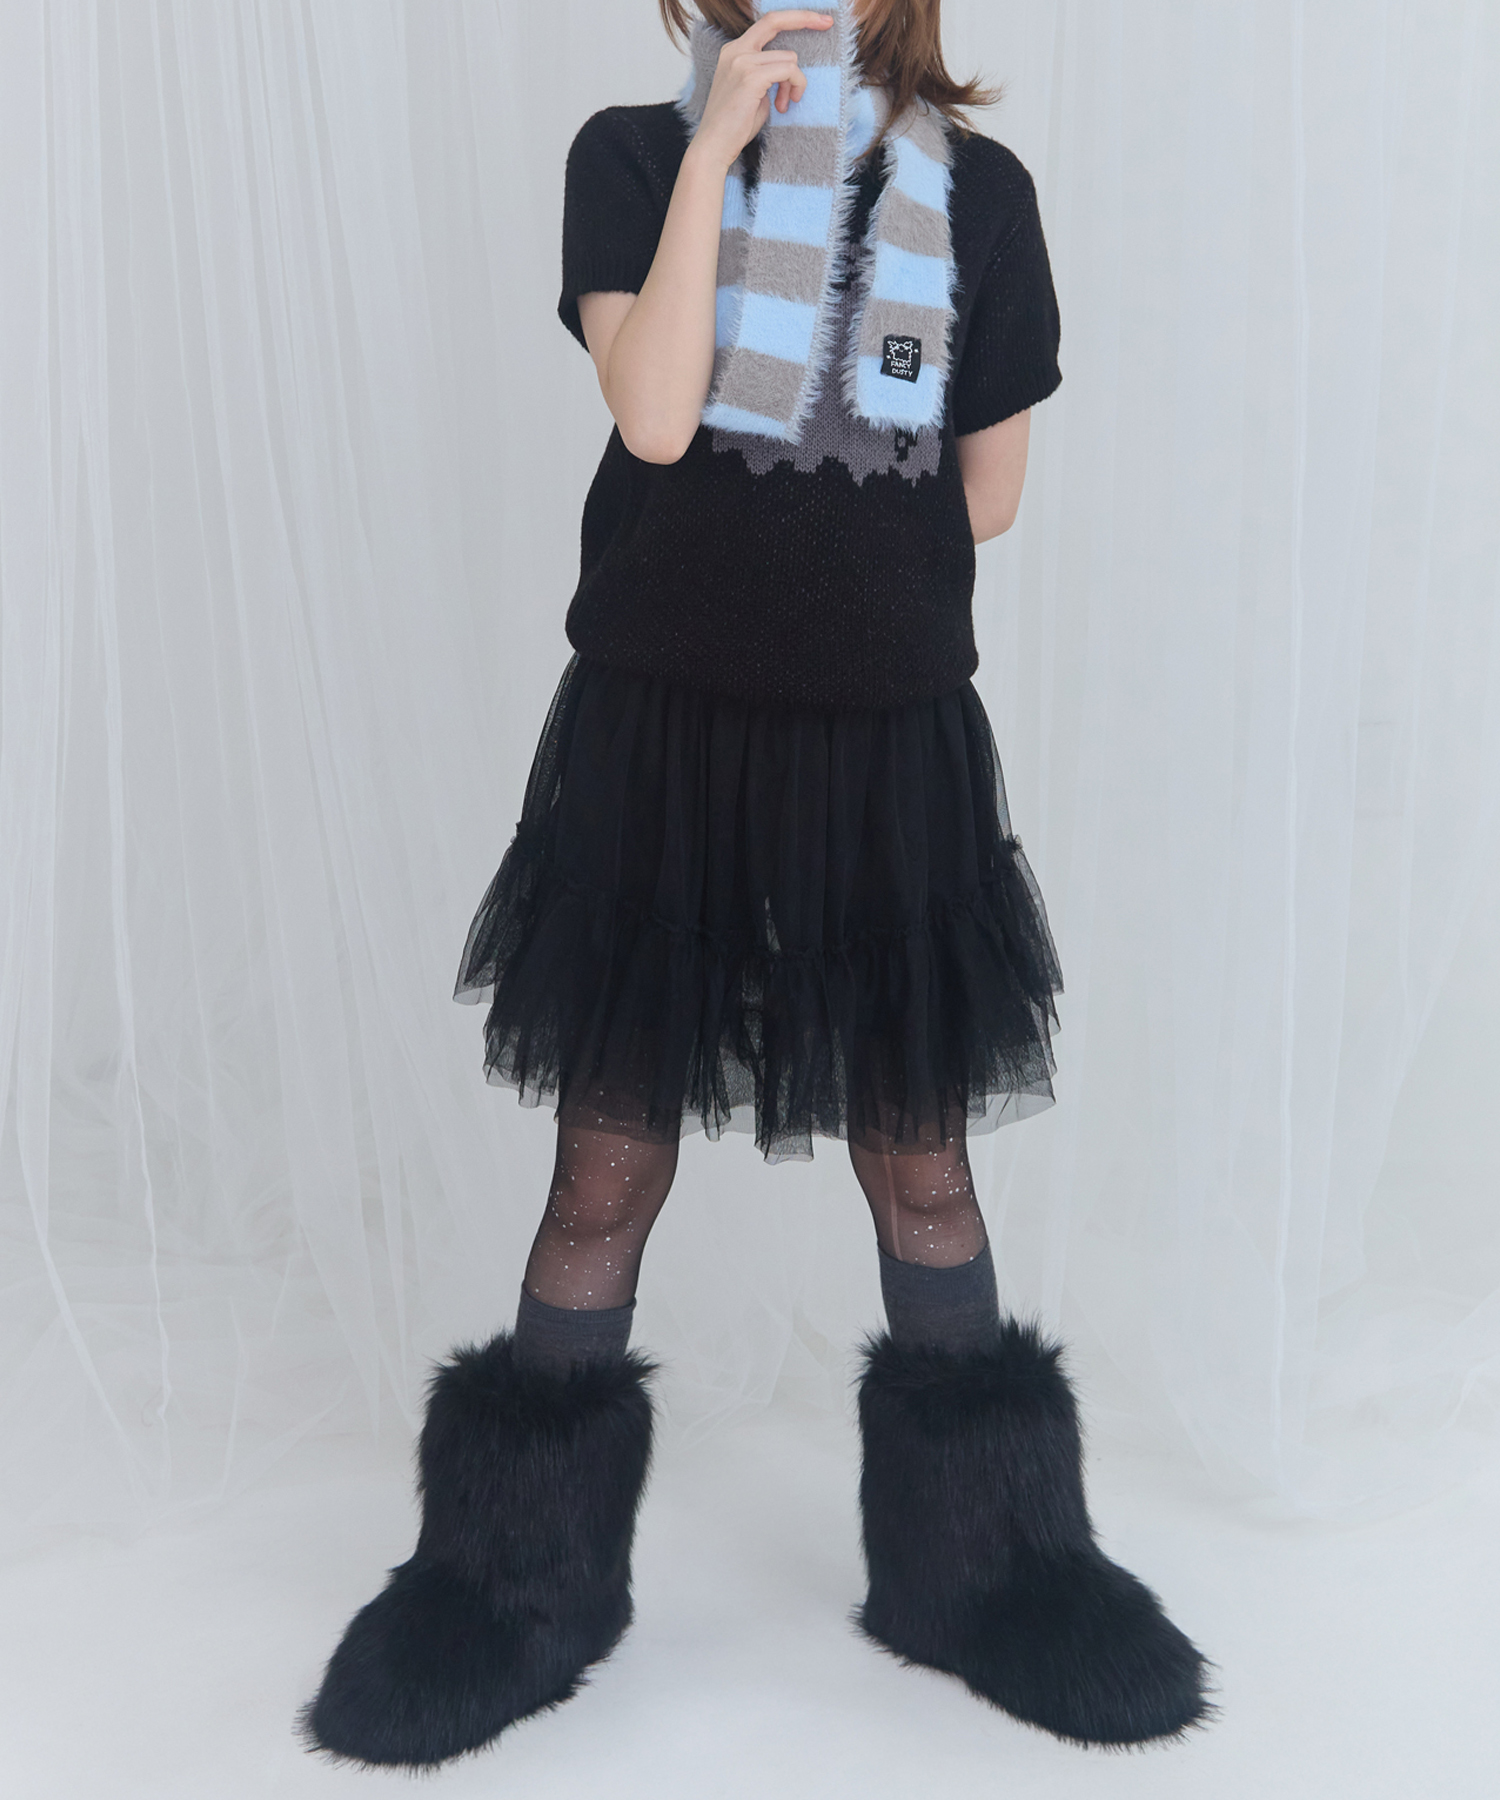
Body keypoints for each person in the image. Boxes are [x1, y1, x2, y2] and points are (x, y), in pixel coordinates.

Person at [301, 0, 1210, 1768]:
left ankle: (994, 1572)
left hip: (883, 737)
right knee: (606, 1161)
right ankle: (511, 1586)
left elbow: (991, 495)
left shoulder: (985, 198)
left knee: (920, 1157)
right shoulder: (636, 156)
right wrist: (719, 149)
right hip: (664, 730)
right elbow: (653, 419)